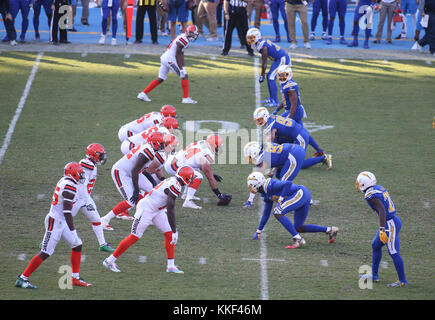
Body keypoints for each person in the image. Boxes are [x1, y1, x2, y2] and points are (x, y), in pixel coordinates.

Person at [103, 166, 195, 274]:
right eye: (191, 178)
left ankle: (170, 266)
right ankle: (109, 261)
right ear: (186, 178)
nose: (191, 180)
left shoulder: (174, 182)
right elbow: (170, 208)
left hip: (156, 210)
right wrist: (175, 229)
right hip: (146, 209)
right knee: (134, 236)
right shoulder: (175, 185)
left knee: (169, 234)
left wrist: (173, 231)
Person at [15, 163, 92, 289]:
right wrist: (72, 230)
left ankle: (75, 278)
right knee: (46, 252)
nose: (82, 176)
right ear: (73, 174)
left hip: (60, 221)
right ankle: (22, 278)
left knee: (77, 244)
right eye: (80, 173)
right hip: (56, 222)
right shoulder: (69, 186)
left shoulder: (66, 180)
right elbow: (67, 212)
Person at [247, 172, 339, 248]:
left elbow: (288, 183)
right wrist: (258, 231)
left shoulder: (270, 184)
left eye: (251, 186)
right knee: (298, 227)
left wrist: (281, 199)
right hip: (302, 195)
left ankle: (298, 239)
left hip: (300, 193)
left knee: (277, 212)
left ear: (257, 183)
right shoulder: (264, 194)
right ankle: (330, 230)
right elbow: (266, 213)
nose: (251, 188)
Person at [100, 132, 167, 230]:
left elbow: (141, 169)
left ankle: (146, 216)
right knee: (131, 200)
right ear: (155, 143)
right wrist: (136, 189)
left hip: (134, 172)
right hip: (121, 172)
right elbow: (134, 170)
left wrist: (151, 180)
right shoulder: (147, 151)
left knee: (153, 191)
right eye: (161, 143)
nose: (163, 145)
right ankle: (105, 219)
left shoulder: (149, 149)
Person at [356, 171, 408, 287]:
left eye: (359, 182)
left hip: (390, 224)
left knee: (393, 252)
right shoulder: (378, 188)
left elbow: (382, 211)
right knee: (375, 245)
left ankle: (402, 281)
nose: (357, 184)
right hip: (392, 221)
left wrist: (382, 229)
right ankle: (374, 275)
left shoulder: (370, 195)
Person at [164, 134, 231, 209]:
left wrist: (212, 174)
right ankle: (188, 201)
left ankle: (186, 195)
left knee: (195, 170)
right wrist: (219, 194)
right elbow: (210, 178)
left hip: (174, 160)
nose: (219, 148)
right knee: (198, 176)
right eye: (218, 145)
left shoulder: (202, 143)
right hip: (174, 165)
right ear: (214, 145)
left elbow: (197, 161)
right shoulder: (208, 155)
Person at [253, 107, 332, 169]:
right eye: (257, 120)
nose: (259, 122)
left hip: (300, 137)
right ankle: (319, 151)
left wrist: (262, 153)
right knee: (279, 140)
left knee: (299, 164)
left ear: (265, 116)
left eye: (260, 119)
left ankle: (324, 158)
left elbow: (270, 142)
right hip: (299, 132)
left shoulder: (270, 125)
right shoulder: (272, 117)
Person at [137, 25, 199, 104]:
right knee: (184, 76)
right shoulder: (184, 40)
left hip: (165, 57)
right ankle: (185, 98)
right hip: (170, 59)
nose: (193, 36)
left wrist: (182, 66)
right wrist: (181, 68)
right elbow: (178, 54)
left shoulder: (183, 37)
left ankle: (143, 94)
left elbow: (181, 53)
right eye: (193, 34)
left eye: (194, 34)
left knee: (161, 78)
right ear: (188, 33)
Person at [73, 144, 115, 252]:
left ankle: (103, 244)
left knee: (96, 219)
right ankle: (47, 241)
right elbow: (82, 180)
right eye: (100, 155)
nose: (102, 158)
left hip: (85, 198)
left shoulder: (92, 164)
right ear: (93, 155)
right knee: (62, 220)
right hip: (76, 198)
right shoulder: (87, 164)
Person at [245, 27, 291, 107]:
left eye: (251, 38)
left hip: (282, 58)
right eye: (249, 38)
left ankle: (275, 101)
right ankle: (271, 98)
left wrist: (262, 75)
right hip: (278, 59)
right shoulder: (259, 44)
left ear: (257, 37)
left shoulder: (262, 45)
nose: (249, 40)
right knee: (270, 76)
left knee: (271, 77)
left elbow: (264, 63)